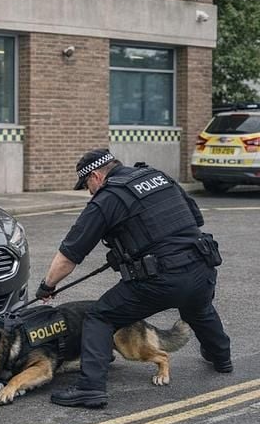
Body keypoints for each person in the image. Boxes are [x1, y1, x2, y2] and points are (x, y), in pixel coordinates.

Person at [35, 148, 232, 408]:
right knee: (198, 306)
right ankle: (222, 358)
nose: (89, 192)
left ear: (95, 176)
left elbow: (68, 256)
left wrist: (47, 285)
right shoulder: (158, 176)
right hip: (201, 267)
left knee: (99, 317)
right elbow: (195, 218)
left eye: (86, 185)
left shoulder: (107, 198)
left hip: (159, 279)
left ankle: (90, 388)